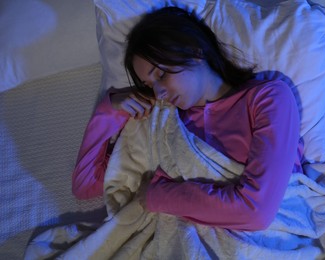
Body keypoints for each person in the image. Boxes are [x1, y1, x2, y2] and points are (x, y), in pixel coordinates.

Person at [72, 6, 303, 231]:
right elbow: (86, 184)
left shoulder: (268, 98)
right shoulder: (162, 123)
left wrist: (158, 196)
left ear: (195, 51)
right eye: (149, 85)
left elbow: (256, 213)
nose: (159, 93)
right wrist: (109, 109)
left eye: (161, 75)